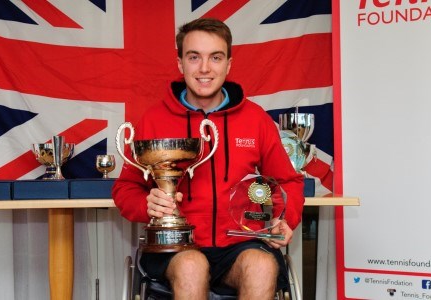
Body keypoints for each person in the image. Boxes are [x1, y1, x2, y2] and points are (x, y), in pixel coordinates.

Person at [112, 18, 305, 299]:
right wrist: (147, 204)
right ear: (180, 64)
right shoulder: (153, 120)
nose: (205, 68)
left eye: (215, 57)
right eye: (194, 57)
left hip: (242, 244)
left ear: (228, 64)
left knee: (262, 265)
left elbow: (288, 180)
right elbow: (125, 188)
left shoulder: (256, 120)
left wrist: (284, 217)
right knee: (192, 265)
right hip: (177, 248)